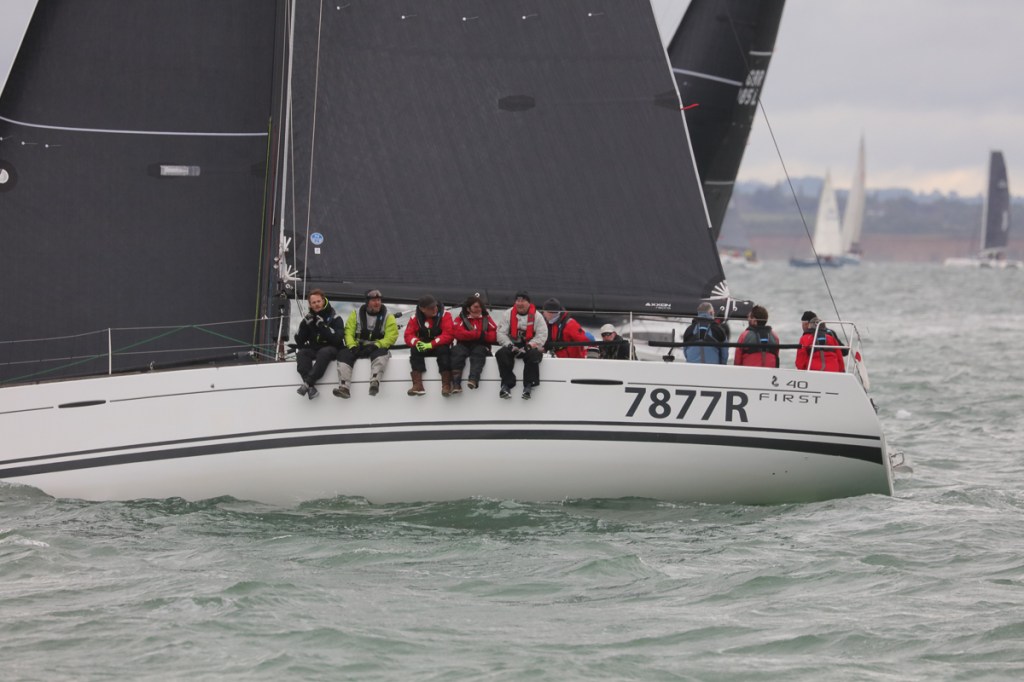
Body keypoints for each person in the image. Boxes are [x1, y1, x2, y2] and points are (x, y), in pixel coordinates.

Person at [334, 288, 398, 398]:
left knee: (382, 354)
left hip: (376, 347)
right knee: (343, 354)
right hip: (358, 346)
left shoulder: (389, 317)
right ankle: (344, 388)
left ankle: (374, 383)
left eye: (379, 300)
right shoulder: (356, 314)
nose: (377, 303)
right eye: (374, 300)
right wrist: (352, 346)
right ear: (367, 302)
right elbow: (348, 332)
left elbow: (391, 336)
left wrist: (376, 345)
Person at [495, 291, 548, 400]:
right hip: (512, 346)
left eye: (522, 301)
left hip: (529, 347)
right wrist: (509, 345)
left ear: (529, 302)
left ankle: (528, 386)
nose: (519, 304)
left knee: (534, 355)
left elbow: (542, 335)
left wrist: (529, 346)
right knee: (501, 353)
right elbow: (500, 333)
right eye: (517, 301)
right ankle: (506, 385)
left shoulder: (538, 317)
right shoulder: (508, 314)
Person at [294, 289, 344, 400]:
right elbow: (300, 342)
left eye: (318, 301)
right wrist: (304, 325)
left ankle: (307, 383)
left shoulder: (336, 318)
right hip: (315, 348)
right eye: (313, 302)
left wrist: (322, 325)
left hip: (332, 348)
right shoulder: (309, 319)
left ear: (323, 301)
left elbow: (337, 339)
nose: (316, 304)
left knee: (324, 352)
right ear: (310, 305)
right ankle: (310, 387)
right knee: (302, 353)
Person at [404, 294, 455, 396]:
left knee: (443, 351)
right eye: (431, 308)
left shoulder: (445, 315)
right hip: (423, 345)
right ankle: (418, 385)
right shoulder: (415, 318)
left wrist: (431, 344)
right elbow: (408, 335)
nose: (435, 309)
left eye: (435, 306)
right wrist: (417, 342)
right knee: (414, 350)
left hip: (439, 345)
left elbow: (449, 335)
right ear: (422, 309)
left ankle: (446, 385)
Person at [450, 293, 497, 392]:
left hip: (481, 346)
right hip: (464, 346)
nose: (478, 309)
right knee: (457, 351)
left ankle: (473, 379)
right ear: (468, 309)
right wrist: (477, 334)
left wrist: (484, 336)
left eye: (480, 307)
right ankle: (456, 383)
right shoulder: (460, 319)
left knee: (478, 352)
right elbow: (457, 333)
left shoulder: (487, 319)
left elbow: (495, 335)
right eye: (475, 307)